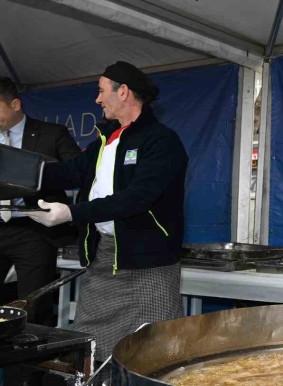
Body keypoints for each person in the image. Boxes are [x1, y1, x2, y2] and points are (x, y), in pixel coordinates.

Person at [24, 61, 188, 365]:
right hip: (104, 256)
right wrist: (16, 173)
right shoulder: (104, 140)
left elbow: (135, 199)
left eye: (101, 91)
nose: (97, 99)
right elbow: (69, 172)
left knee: (152, 350)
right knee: (90, 346)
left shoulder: (161, 140)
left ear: (123, 91)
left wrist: (70, 213)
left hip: (148, 262)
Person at [0, 76, 81, 326]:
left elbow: (76, 171)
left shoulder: (52, 133)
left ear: (15, 104)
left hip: (33, 229)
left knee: (33, 307)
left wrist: (32, 172)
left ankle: (31, 352)